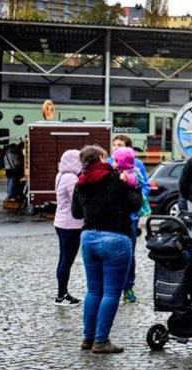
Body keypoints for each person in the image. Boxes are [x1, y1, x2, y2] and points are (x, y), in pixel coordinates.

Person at [71, 145, 142, 354]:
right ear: (101, 158)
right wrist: (132, 185)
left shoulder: (81, 181)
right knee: (111, 292)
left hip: (88, 237)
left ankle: (88, 338)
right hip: (115, 238)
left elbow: (76, 213)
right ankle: (101, 341)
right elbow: (135, 205)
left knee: (93, 291)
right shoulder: (115, 179)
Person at [111, 134, 151, 303]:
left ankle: (128, 287)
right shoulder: (109, 163)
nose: (115, 148)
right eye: (114, 145)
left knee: (129, 253)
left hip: (131, 217)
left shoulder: (137, 165)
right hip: (112, 216)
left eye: (119, 145)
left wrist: (136, 197)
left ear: (128, 147)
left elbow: (145, 186)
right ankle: (112, 287)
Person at [53, 149, 84, 306]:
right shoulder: (71, 178)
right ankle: (61, 294)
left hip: (60, 222)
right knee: (67, 260)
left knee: (63, 259)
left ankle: (62, 293)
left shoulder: (60, 175)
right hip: (71, 225)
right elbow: (77, 201)